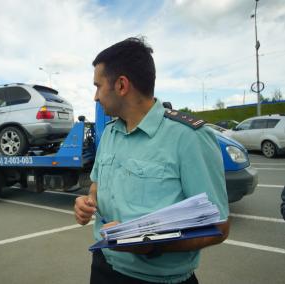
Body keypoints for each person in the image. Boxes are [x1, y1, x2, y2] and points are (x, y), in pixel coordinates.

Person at [74, 37, 230, 284]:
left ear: (122, 85)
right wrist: (88, 200)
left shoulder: (189, 138)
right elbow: (97, 185)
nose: (95, 96)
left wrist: (149, 243)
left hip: (157, 279)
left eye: (98, 86)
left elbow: (218, 227)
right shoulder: (110, 134)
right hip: (104, 266)